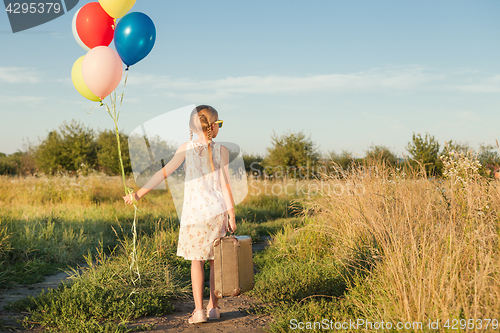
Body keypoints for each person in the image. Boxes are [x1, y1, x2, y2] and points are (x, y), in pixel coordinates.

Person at [123, 105, 237, 324]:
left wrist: (138, 194)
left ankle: (199, 311)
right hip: (217, 212)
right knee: (216, 263)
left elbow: (163, 173)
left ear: (192, 127)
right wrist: (231, 214)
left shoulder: (186, 148)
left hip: (194, 215)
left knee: (197, 262)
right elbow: (226, 184)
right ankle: (214, 308)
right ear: (213, 126)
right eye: (219, 123)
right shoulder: (222, 150)